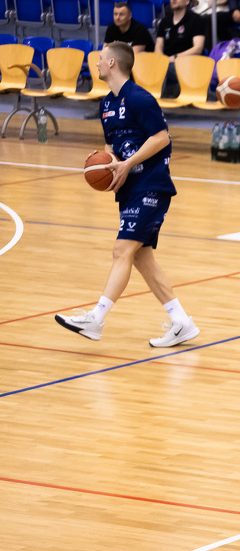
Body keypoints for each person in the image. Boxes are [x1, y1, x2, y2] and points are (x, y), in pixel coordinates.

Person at [54, 43, 200, 348]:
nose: (96, 64)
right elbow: (111, 149)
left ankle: (96, 318)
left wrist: (128, 163)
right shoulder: (106, 104)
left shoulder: (140, 98)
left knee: (121, 250)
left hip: (151, 184)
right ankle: (181, 321)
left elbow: (162, 137)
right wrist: (108, 169)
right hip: (129, 187)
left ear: (112, 63)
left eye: (100, 59)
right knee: (141, 257)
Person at [155, 0, 207, 98]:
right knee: (150, 66)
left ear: (187, 1)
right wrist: (160, 59)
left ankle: (160, 99)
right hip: (168, 62)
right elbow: (158, 46)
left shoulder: (196, 20)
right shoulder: (164, 22)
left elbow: (197, 49)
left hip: (189, 62)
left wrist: (175, 57)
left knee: (165, 69)